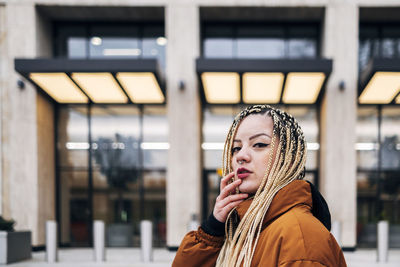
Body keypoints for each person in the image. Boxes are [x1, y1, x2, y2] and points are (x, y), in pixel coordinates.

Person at [172, 105, 347, 267]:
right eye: (236, 148)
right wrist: (213, 229)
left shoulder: (301, 240)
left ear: (290, 157)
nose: (241, 156)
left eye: (259, 144)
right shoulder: (243, 228)